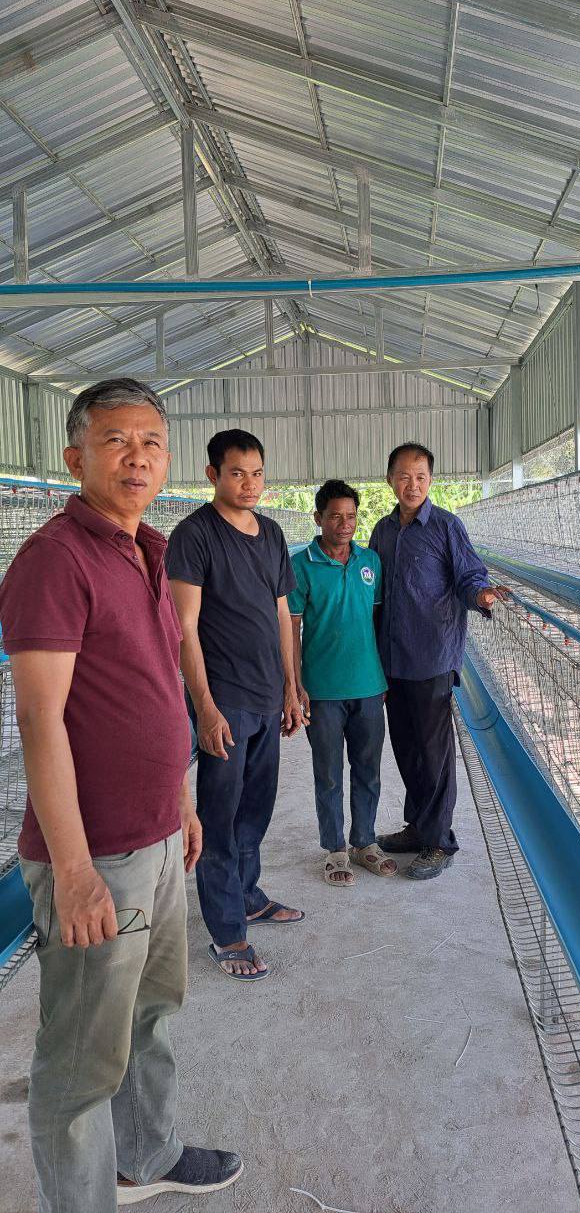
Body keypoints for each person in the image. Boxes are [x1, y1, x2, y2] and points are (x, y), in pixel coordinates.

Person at [0, 378, 243, 1212]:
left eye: (150, 443)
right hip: (97, 853)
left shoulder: (152, 550)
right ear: (76, 458)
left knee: (152, 1011)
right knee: (82, 1055)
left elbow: (156, 687)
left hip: (157, 836)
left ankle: (146, 1156)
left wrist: (180, 799)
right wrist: (73, 872)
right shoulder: (54, 561)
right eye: (115, 441)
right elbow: (39, 718)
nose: (136, 458)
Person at [166, 430, 306, 980]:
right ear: (213, 475)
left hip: (268, 697)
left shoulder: (270, 533)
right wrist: (204, 707)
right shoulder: (194, 536)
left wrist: (291, 688)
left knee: (257, 809)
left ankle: (247, 896)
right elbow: (184, 627)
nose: (249, 484)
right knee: (219, 819)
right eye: (237, 473)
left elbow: (282, 615)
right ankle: (226, 931)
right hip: (225, 701)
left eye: (257, 473)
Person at [369, 442, 508, 880]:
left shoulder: (447, 526)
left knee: (434, 754)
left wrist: (481, 595)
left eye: (421, 477)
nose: (412, 485)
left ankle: (439, 841)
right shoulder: (382, 531)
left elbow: (469, 576)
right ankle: (417, 828)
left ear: (430, 480)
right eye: (404, 476)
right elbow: (374, 592)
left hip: (431, 656)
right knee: (406, 748)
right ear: (390, 480)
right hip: (392, 659)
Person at [289, 480, 397, 887]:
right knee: (329, 773)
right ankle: (335, 848)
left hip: (368, 686)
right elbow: (291, 630)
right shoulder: (300, 566)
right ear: (318, 518)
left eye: (351, 516)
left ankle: (365, 842)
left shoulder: (371, 562)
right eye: (335, 516)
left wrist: (381, 676)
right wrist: (295, 684)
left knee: (368, 769)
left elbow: (376, 621)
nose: (345, 524)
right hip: (322, 691)